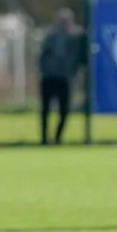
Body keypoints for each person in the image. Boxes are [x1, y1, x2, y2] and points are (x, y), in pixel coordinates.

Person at [39, 8, 84, 145]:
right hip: (49, 77)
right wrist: (44, 70)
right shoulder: (51, 36)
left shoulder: (76, 37)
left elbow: (80, 55)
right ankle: (45, 138)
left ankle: (58, 138)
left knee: (64, 110)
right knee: (45, 109)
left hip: (65, 78)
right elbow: (43, 55)